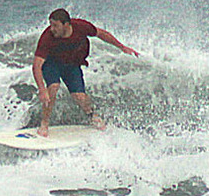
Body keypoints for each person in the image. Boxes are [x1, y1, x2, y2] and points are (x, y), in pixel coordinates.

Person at [32, 8, 139, 136]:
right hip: (52, 64)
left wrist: (122, 47)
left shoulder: (81, 27)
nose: (52, 29)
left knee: (80, 97)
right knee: (53, 87)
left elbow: (101, 34)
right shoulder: (47, 37)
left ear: (66, 24)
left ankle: (92, 116)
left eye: (55, 25)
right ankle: (44, 124)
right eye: (51, 25)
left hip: (71, 65)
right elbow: (37, 66)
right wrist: (42, 90)